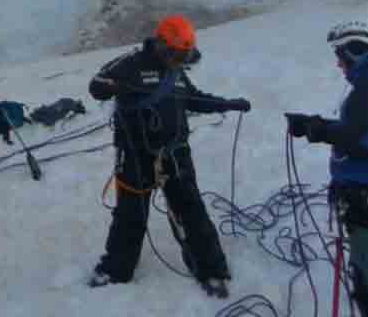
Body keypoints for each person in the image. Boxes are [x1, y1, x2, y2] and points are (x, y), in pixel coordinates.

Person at [88, 15, 251, 298]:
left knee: (192, 210)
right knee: (130, 214)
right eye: (174, 53)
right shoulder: (131, 63)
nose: (178, 59)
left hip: (175, 153)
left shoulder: (176, 73)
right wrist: (117, 87)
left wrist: (226, 104)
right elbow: (97, 85)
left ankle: (212, 270)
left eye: (183, 55)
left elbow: (194, 99)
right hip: (136, 155)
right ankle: (116, 270)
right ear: (161, 45)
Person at [287, 18, 368, 317]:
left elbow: (358, 139)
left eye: (342, 55)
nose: (339, 63)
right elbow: (365, 131)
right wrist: (318, 126)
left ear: (358, 50)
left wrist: (315, 128)